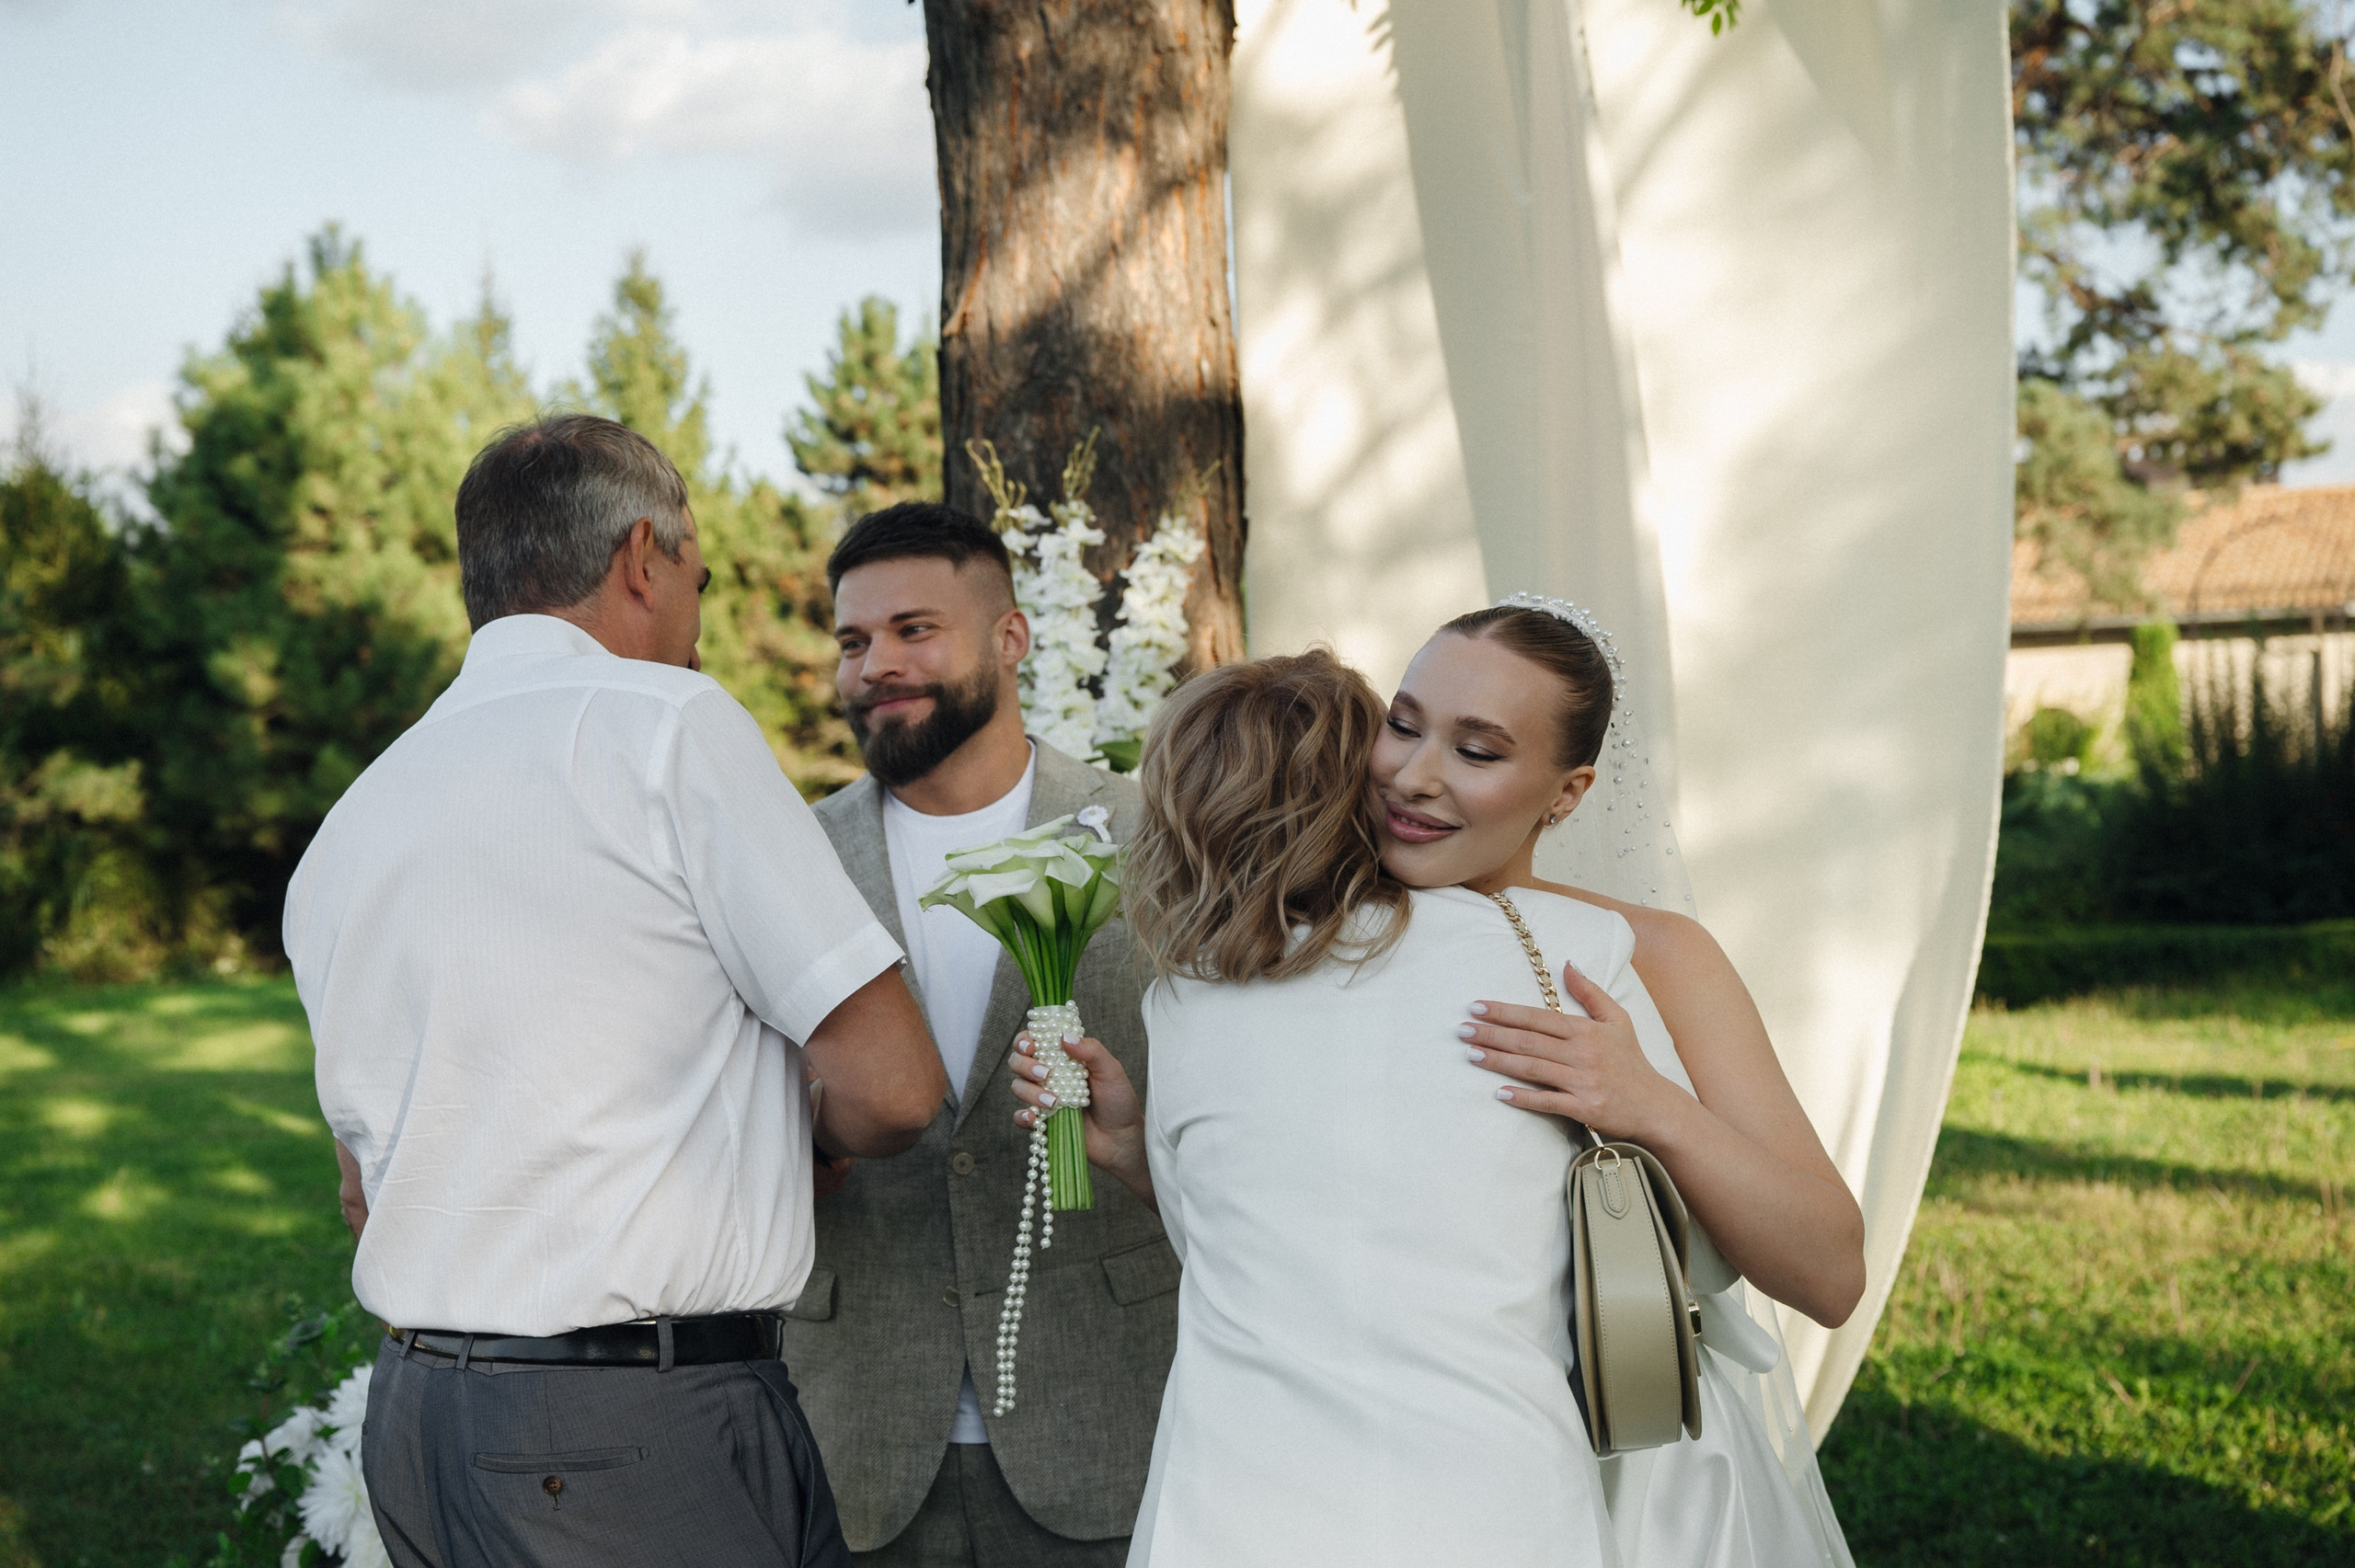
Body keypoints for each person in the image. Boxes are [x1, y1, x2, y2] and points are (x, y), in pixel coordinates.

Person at [1015, 604, 1865, 1567]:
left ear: (1566, 793)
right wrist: (1143, 1152)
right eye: (1405, 724)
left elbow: (1829, 1273)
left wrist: (1648, 1104)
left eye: (1478, 751)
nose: (1414, 776)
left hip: (1627, 1450)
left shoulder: (1647, 952)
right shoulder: (1277, 958)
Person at [286, 414, 947, 1568]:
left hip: (419, 1424)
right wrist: (792, 1124)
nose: (698, 620)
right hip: (627, 1438)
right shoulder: (667, 724)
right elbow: (894, 1087)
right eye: (701, 578)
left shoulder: (356, 816)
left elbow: (363, 1184)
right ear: (643, 555)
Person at [784, 502, 1178, 1566]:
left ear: (1011, 636)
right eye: (853, 640)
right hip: (860, 1435)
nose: (876, 664)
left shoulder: (1154, 837)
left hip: (1110, 1414)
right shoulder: (789, 856)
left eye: (914, 629)